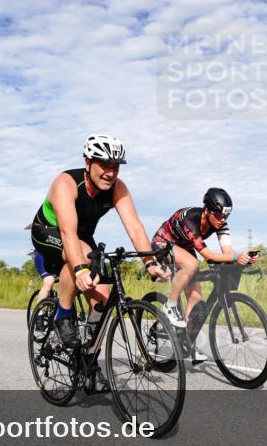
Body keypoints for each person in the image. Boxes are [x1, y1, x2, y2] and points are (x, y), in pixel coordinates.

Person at [30, 134, 170, 390]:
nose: (110, 173)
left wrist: (150, 263)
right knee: (80, 257)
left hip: (82, 238)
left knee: (102, 300)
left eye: (115, 166)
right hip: (48, 231)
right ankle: (63, 315)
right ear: (88, 162)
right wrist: (80, 270)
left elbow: (135, 226)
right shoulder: (66, 183)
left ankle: (87, 359)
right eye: (104, 165)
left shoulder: (118, 187)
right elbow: (68, 233)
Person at [151, 188, 259, 363]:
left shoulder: (220, 224)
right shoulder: (190, 220)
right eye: (219, 215)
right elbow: (208, 256)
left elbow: (227, 253)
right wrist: (235, 258)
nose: (222, 219)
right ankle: (170, 305)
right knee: (192, 264)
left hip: (184, 246)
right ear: (207, 210)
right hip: (164, 243)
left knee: (196, 300)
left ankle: (187, 343)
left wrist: (243, 259)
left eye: (226, 216)